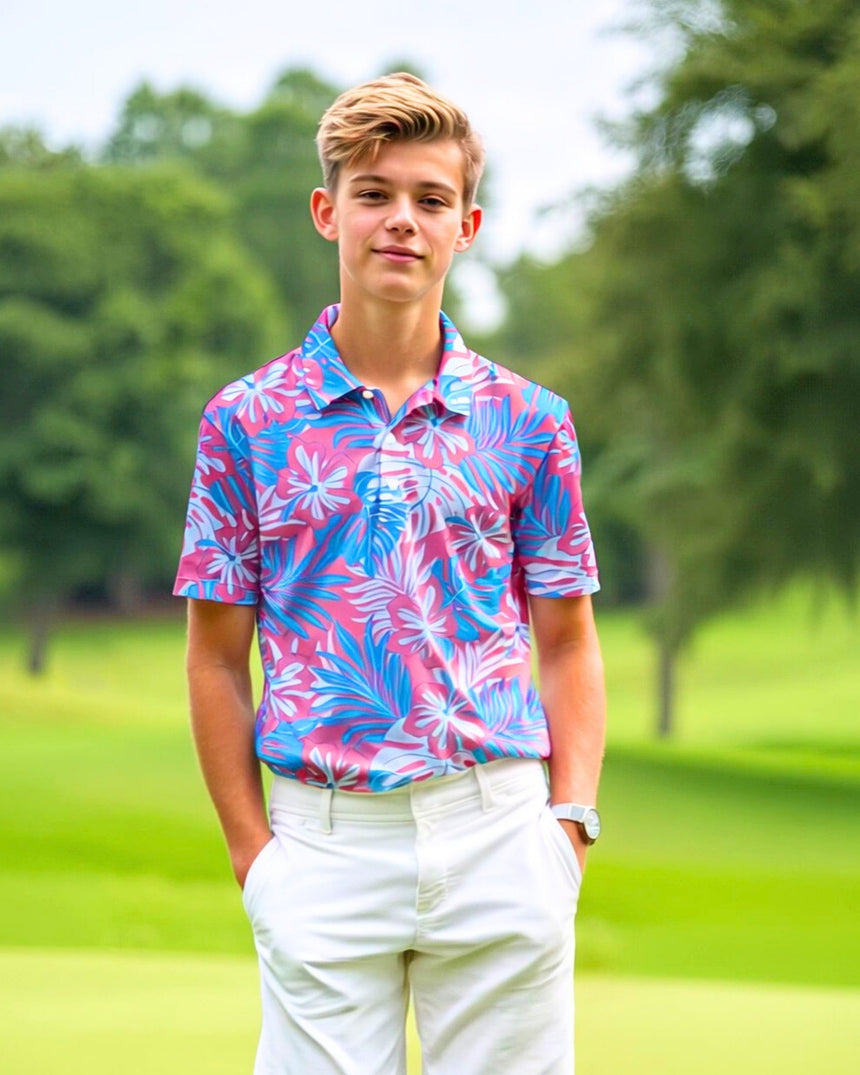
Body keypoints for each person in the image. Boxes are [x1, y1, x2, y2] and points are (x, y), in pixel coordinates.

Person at [174, 72, 605, 1075]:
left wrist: (566, 830)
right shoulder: (245, 420)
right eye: (373, 194)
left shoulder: (528, 420)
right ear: (329, 212)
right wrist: (255, 859)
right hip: (320, 846)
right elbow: (212, 661)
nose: (399, 220)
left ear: (468, 224)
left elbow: (569, 638)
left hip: (500, 833)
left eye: (429, 199)